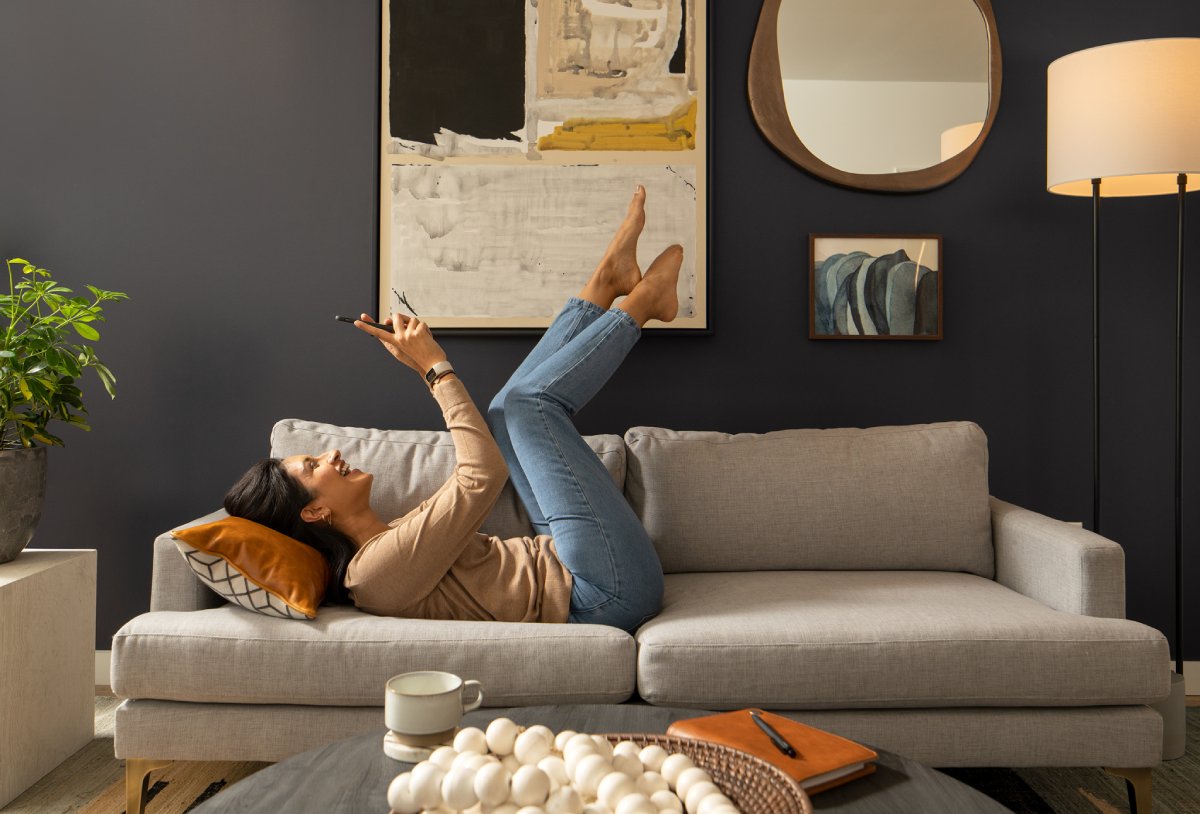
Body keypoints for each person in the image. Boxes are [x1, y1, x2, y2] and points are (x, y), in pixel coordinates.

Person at [224, 186, 679, 633]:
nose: (331, 456)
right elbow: (481, 476)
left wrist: (422, 366)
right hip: (602, 592)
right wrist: (432, 367)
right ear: (314, 512)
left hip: (571, 560)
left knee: (504, 412)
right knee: (529, 404)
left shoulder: (390, 539)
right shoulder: (373, 574)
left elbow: (483, 463)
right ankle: (640, 304)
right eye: (312, 465)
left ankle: (607, 281)